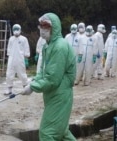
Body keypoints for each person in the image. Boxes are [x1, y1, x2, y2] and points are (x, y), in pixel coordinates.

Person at [21, 12, 77, 140]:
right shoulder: (49, 45)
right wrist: (36, 79)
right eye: (41, 26)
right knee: (62, 133)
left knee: (47, 132)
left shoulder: (59, 46)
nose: (42, 30)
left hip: (59, 95)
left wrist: (33, 87)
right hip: (54, 94)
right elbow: (44, 69)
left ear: (54, 27)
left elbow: (53, 79)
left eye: (46, 27)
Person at [4, 24, 30, 95]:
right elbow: (8, 49)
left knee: (22, 74)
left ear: (20, 30)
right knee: (9, 74)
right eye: (14, 29)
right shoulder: (11, 39)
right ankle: (9, 88)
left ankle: (25, 87)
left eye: (17, 29)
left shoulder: (24, 39)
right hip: (11, 59)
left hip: (20, 59)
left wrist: (26, 59)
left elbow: (26, 49)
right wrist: (8, 58)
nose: (16, 31)